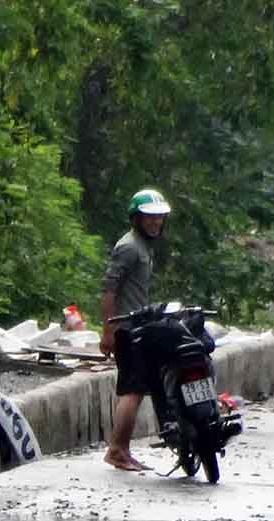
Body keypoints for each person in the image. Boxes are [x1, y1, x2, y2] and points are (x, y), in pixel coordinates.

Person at [100, 187, 171, 472]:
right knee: (132, 390)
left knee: (138, 389)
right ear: (137, 219)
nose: (156, 223)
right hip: (126, 330)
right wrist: (107, 331)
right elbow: (109, 290)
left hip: (139, 327)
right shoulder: (129, 247)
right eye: (149, 218)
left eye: (159, 218)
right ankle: (116, 450)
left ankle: (124, 450)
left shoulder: (143, 247)